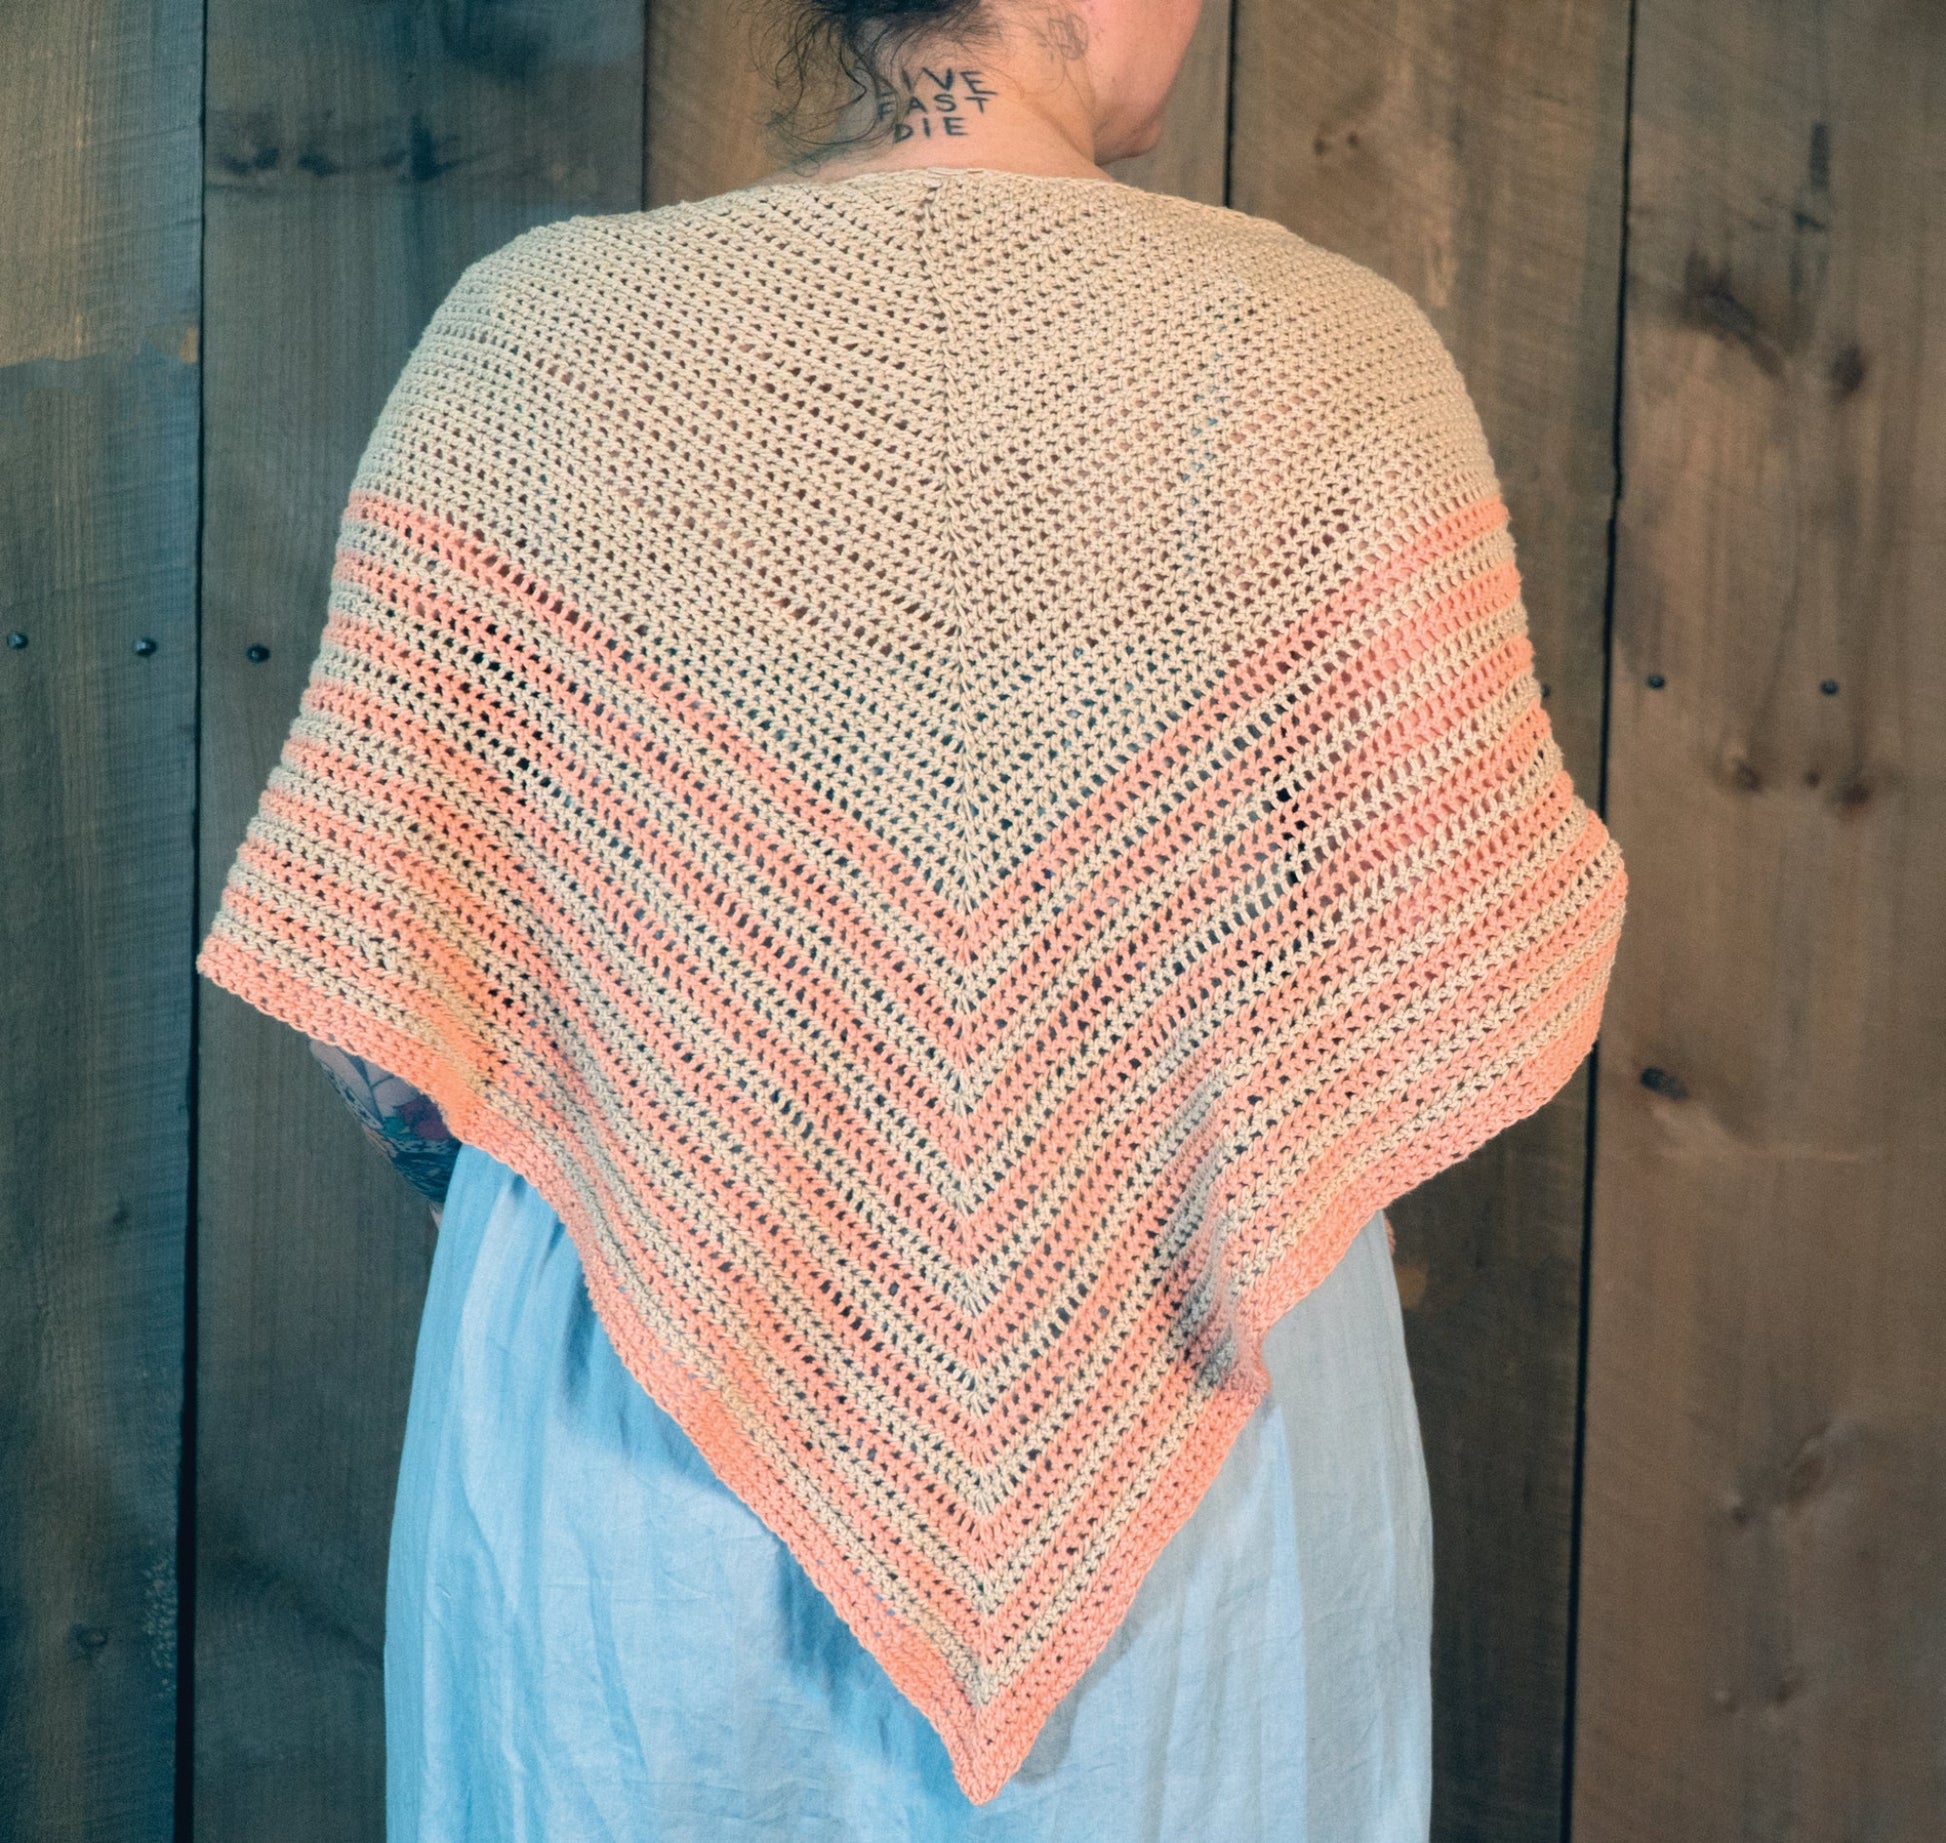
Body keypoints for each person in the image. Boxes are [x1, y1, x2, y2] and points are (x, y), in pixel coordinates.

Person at [200, 0, 1625, 1834]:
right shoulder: (1326, 356)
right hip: (1196, 1400)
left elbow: (384, 1011)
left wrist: (700, 1186)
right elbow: (1454, 949)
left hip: (641, 1406)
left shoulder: (538, 352)